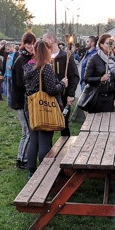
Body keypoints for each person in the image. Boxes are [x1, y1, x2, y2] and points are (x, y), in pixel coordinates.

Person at [23, 40, 67, 175]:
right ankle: (43, 173)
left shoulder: (29, 68)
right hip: (44, 107)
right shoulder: (46, 68)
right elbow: (51, 90)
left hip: (31, 107)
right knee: (45, 141)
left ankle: (32, 171)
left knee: (33, 139)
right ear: (46, 52)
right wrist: (62, 84)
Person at [43, 32, 80, 136]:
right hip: (48, 96)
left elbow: (74, 77)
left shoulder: (65, 57)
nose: (43, 42)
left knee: (64, 123)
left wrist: (71, 94)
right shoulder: (44, 57)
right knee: (48, 125)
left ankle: (65, 147)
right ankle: (48, 150)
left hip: (63, 95)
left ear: (51, 40)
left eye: (44, 39)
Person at [10, 31, 36, 170]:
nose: (31, 46)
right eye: (28, 44)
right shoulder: (21, 59)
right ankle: (22, 159)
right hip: (21, 100)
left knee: (27, 130)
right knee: (27, 131)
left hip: (28, 99)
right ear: (24, 44)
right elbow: (20, 82)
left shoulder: (31, 58)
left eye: (33, 44)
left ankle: (22, 157)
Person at [83, 34, 115, 113]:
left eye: (111, 43)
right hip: (97, 97)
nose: (110, 45)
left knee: (109, 122)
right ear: (101, 45)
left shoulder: (113, 59)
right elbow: (86, 78)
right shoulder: (94, 59)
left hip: (110, 98)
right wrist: (100, 79)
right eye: (107, 43)